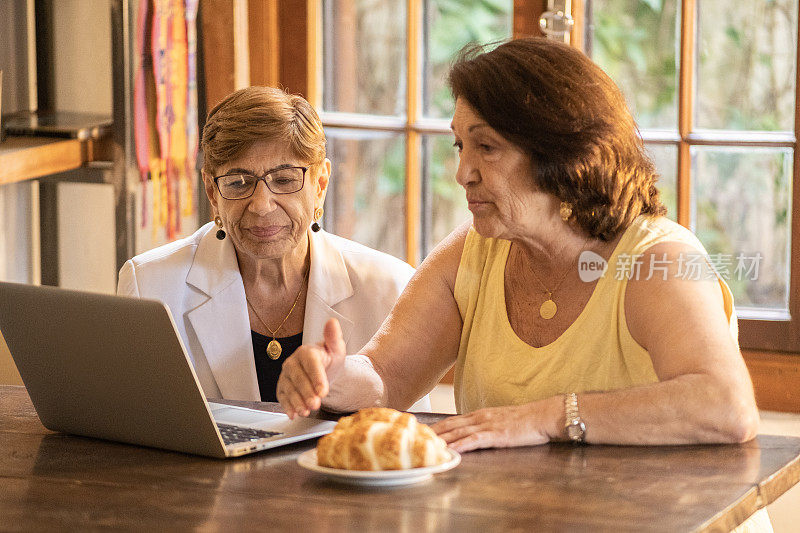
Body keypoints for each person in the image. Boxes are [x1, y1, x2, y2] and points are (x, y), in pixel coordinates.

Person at [275, 38, 760, 448]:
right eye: (460, 147)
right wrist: (332, 376)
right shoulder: (473, 253)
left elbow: (726, 405)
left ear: (564, 154)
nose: (463, 173)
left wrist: (545, 418)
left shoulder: (658, 259)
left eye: (487, 147)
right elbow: (387, 379)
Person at [118, 86, 429, 411]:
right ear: (212, 192)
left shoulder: (390, 287)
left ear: (320, 184)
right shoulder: (150, 285)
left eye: (284, 180)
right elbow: (137, 431)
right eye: (239, 182)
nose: (262, 205)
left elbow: (408, 438)